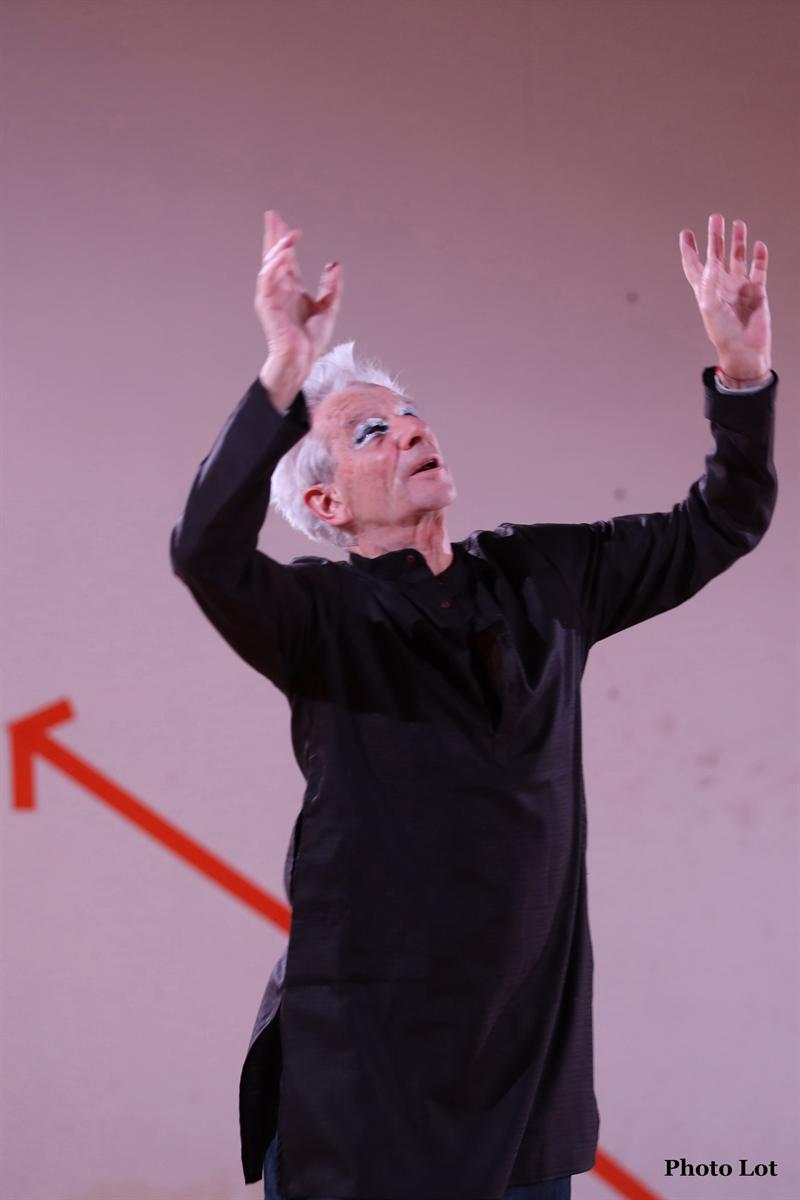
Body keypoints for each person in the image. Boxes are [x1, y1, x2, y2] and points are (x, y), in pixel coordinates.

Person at [169, 210, 778, 1200]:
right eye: (371, 431)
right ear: (327, 505)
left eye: (410, 413)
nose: (411, 427)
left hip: (521, 1085)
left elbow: (723, 520)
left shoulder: (544, 578)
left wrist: (741, 379)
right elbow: (203, 550)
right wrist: (285, 366)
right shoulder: (324, 619)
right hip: (362, 1086)